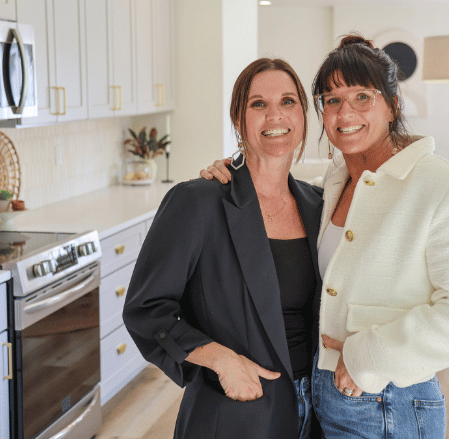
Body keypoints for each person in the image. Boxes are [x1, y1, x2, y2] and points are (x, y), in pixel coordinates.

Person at [203, 35, 449, 438]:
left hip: (389, 402)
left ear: (393, 105)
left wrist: (367, 358)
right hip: (323, 396)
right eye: (332, 99)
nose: (346, 113)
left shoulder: (444, 188)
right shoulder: (337, 181)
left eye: (362, 96)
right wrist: (233, 171)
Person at [123, 58, 324, 438]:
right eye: (258, 104)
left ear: (303, 115)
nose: (274, 115)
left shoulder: (320, 207)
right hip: (236, 414)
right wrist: (220, 360)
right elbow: (146, 309)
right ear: (238, 119)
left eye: (287, 101)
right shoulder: (198, 202)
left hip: (320, 418)